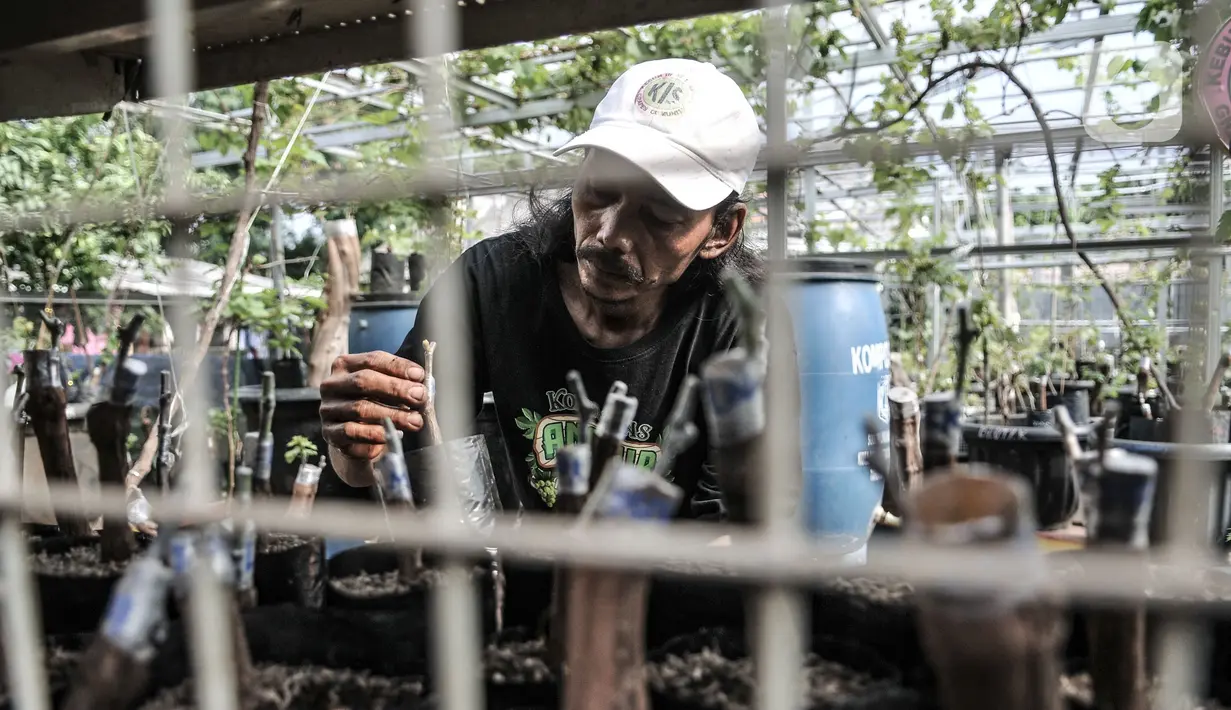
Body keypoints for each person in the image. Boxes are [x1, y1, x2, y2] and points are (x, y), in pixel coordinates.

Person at [320, 58, 799, 520]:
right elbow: (402, 465)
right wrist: (355, 448)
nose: (610, 235)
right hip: (522, 582)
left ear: (721, 231)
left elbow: (737, 533)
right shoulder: (491, 282)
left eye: (662, 215)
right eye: (600, 190)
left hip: (677, 590)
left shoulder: (742, 324)